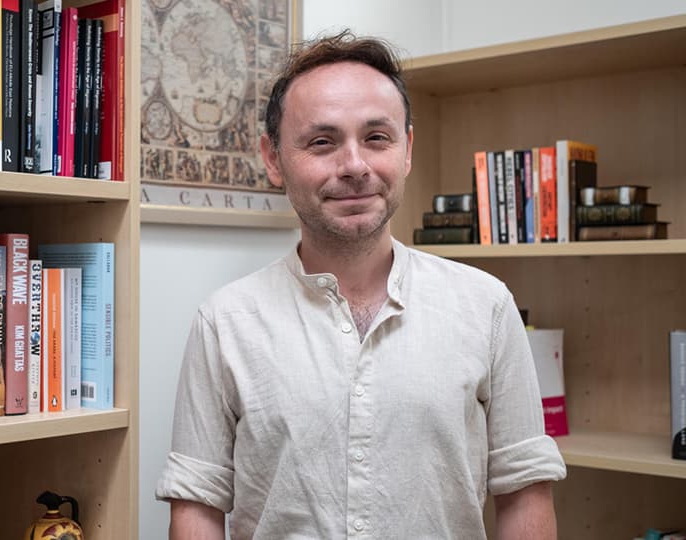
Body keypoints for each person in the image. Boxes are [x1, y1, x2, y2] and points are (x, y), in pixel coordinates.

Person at [155, 31, 567, 539]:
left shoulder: (487, 307)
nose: (354, 166)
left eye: (376, 138)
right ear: (272, 157)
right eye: (322, 142)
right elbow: (196, 507)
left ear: (407, 149)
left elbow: (525, 492)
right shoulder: (225, 322)